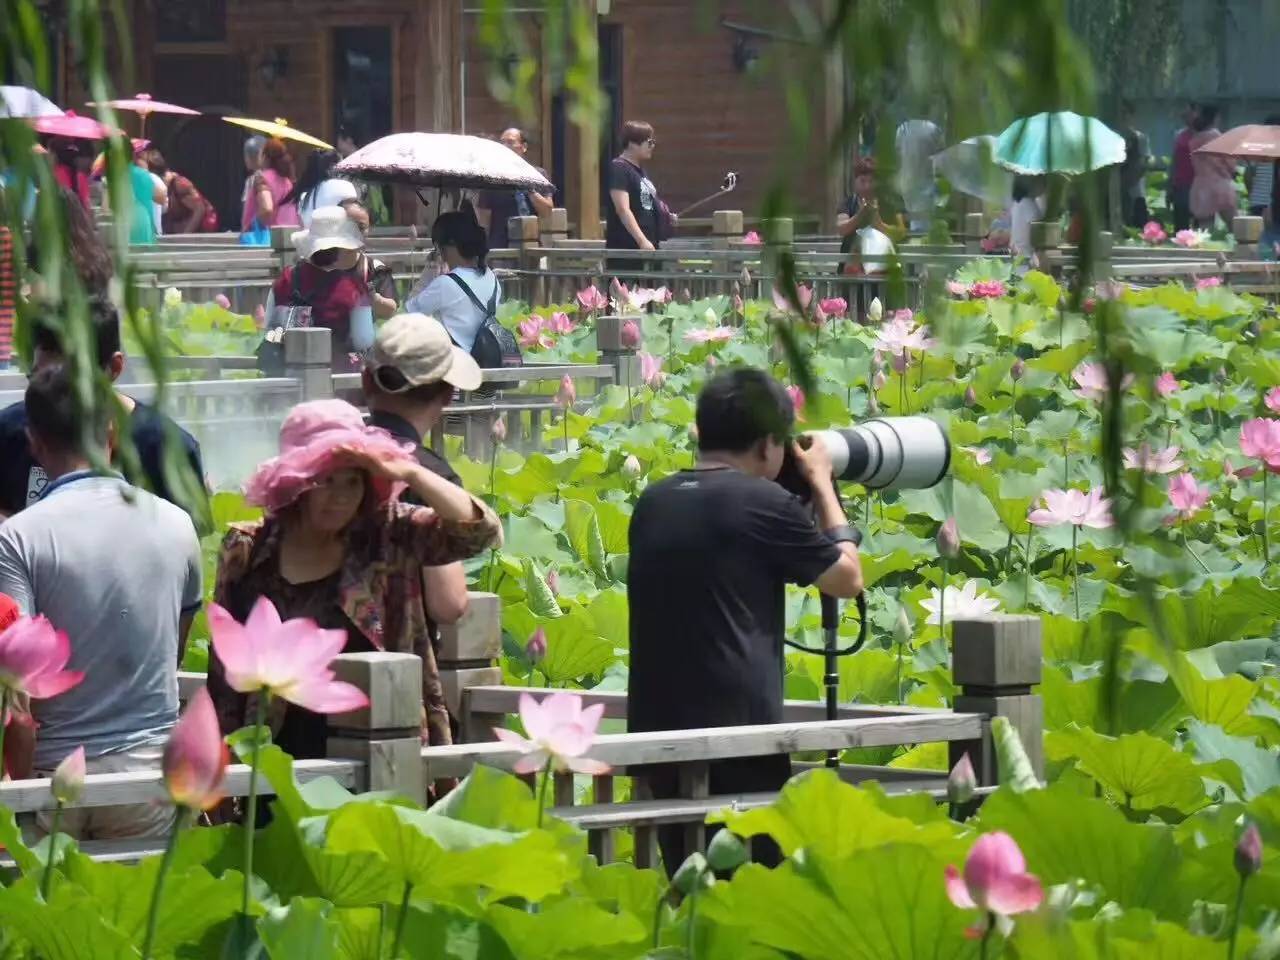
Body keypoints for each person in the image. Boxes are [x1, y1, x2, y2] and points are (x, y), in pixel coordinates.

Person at [627, 368, 864, 874]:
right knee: (749, 891)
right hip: (739, 743)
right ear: (766, 445)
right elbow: (846, 578)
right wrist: (822, 484)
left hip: (657, 741)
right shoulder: (762, 502)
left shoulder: (653, 501)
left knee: (687, 888)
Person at [208, 398, 501, 767]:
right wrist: (220, 761)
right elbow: (222, 671)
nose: (342, 497)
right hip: (269, 754)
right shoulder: (248, 549)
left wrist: (410, 473)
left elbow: (479, 534)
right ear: (297, 485)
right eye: (326, 482)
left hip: (381, 750)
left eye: (353, 481)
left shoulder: (388, 535)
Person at [0, 365, 202, 840]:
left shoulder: (18, 537)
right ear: (112, 431)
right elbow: (173, 652)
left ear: (33, 440)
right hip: (149, 775)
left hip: (51, 777)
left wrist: (21, 792)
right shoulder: (177, 525)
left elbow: (17, 688)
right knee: (147, 913)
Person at [0, 299, 206, 522]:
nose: (53, 396)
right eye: (41, 378)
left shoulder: (168, 450)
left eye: (71, 381)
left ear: (114, 368)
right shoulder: (9, 432)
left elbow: (186, 545)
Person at [362, 314, 483, 667]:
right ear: (447, 394)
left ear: (366, 381)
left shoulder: (330, 455)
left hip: (309, 674)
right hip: (392, 677)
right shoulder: (428, 479)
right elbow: (448, 603)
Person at [266, 205, 375, 371]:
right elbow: (364, 340)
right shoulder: (354, 287)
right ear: (342, 248)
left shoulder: (286, 279)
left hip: (287, 375)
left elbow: (269, 325)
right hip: (337, 380)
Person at [405, 210, 500, 356]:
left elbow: (410, 312)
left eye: (438, 247)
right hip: (486, 361)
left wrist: (428, 273)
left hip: (456, 366)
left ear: (448, 246)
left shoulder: (445, 284)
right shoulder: (492, 278)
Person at [476, 127, 554, 249]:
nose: (505, 146)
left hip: (531, 246)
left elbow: (547, 211)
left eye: (510, 142)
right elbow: (484, 221)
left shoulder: (538, 175)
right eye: (502, 143)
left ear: (523, 147)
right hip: (500, 248)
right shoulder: (492, 178)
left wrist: (530, 188)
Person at [606, 121, 670, 254]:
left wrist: (664, 216)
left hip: (649, 246)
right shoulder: (619, 168)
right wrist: (642, 240)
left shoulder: (640, 171)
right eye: (649, 142)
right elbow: (623, 209)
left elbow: (644, 204)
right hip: (628, 248)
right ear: (632, 143)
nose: (652, 146)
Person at [836, 156, 907, 258]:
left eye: (871, 181)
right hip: (851, 266)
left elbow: (901, 233)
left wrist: (879, 224)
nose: (867, 186)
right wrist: (860, 214)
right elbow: (841, 229)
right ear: (855, 181)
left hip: (883, 264)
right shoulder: (849, 203)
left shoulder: (892, 201)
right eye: (863, 181)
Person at [341, 198, 398, 318]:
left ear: (369, 229)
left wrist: (370, 293)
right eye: (348, 225)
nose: (354, 232)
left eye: (361, 227)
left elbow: (390, 311)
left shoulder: (375, 269)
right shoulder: (317, 265)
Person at [147, 149, 217, 234]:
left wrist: (185, 235)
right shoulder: (159, 186)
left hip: (199, 231)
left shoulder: (179, 184)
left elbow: (200, 209)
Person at [1189, 103, 1237, 229]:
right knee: (1235, 224)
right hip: (1219, 183)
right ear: (1215, 118)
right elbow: (1228, 161)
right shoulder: (1215, 135)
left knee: (1205, 227)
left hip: (1201, 185)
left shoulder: (1194, 138)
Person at [286, 148, 359, 228]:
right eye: (343, 164)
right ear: (333, 166)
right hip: (339, 238)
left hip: (312, 240)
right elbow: (357, 217)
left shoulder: (304, 197)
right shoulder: (345, 186)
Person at [894, 117, 943, 232]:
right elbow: (941, 156)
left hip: (907, 182)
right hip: (925, 183)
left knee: (916, 219)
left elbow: (898, 155)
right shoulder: (933, 129)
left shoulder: (902, 129)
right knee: (922, 223)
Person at [118, 137, 166, 245]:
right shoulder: (140, 174)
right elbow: (161, 198)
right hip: (141, 227)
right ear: (133, 155)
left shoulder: (115, 176)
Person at [251, 137, 300, 230]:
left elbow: (267, 209)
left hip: (274, 234)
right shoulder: (287, 181)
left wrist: (254, 222)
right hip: (291, 230)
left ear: (265, 157)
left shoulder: (262, 178)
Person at [1118, 102, 1152, 228]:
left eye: (1125, 113)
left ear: (1131, 116)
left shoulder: (1140, 138)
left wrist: (1128, 182)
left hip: (1135, 191)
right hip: (1114, 192)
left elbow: (1143, 164)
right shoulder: (1111, 137)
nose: (1122, 117)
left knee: (1138, 227)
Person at [1168, 102, 1198, 232]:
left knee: (1200, 225)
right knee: (1180, 224)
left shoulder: (1205, 134)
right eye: (1183, 115)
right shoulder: (1179, 135)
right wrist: (1169, 185)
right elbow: (1174, 161)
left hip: (1199, 184)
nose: (1185, 117)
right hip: (1181, 185)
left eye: (1188, 114)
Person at [1009, 175, 1048, 258]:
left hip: (1021, 255)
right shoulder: (1028, 204)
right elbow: (1037, 232)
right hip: (1028, 257)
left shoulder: (1019, 203)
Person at [49, 138, 91, 210]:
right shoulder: (81, 177)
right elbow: (86, 205)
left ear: (55, 155)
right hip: (77, 218)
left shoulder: (53, 175)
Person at [239, 134, 266, 234]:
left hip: (255, 229)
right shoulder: (278, 176)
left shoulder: (253, 180)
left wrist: (246, 226)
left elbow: (246, 207)